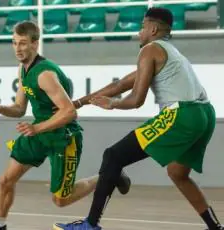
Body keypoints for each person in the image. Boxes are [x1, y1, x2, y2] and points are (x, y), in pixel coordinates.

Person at [53, 7, 223, 230]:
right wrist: (79, 102)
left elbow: (135, 100)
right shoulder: (170, 52)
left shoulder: (149, 50)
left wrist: (112, 104)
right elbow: (120, 85)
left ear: (153, 29)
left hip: (182, 114)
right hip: (205, 114)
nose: (139, 31)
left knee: (113, 156)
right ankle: (215, 227)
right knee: (178, 173)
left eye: (142, 26)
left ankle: (90, 225)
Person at [0, 21, 130, 230]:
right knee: (6, 180)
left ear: (35, 44)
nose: (18, 48)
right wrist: (0, 107)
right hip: (39, 132)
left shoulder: (45, 74)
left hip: (62, 136)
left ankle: (109, 176)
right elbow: (20, 108)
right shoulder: (23, 70)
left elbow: (69, 112)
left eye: (22, 43)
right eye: (14, 43)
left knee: (61, 200)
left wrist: (36, 128)